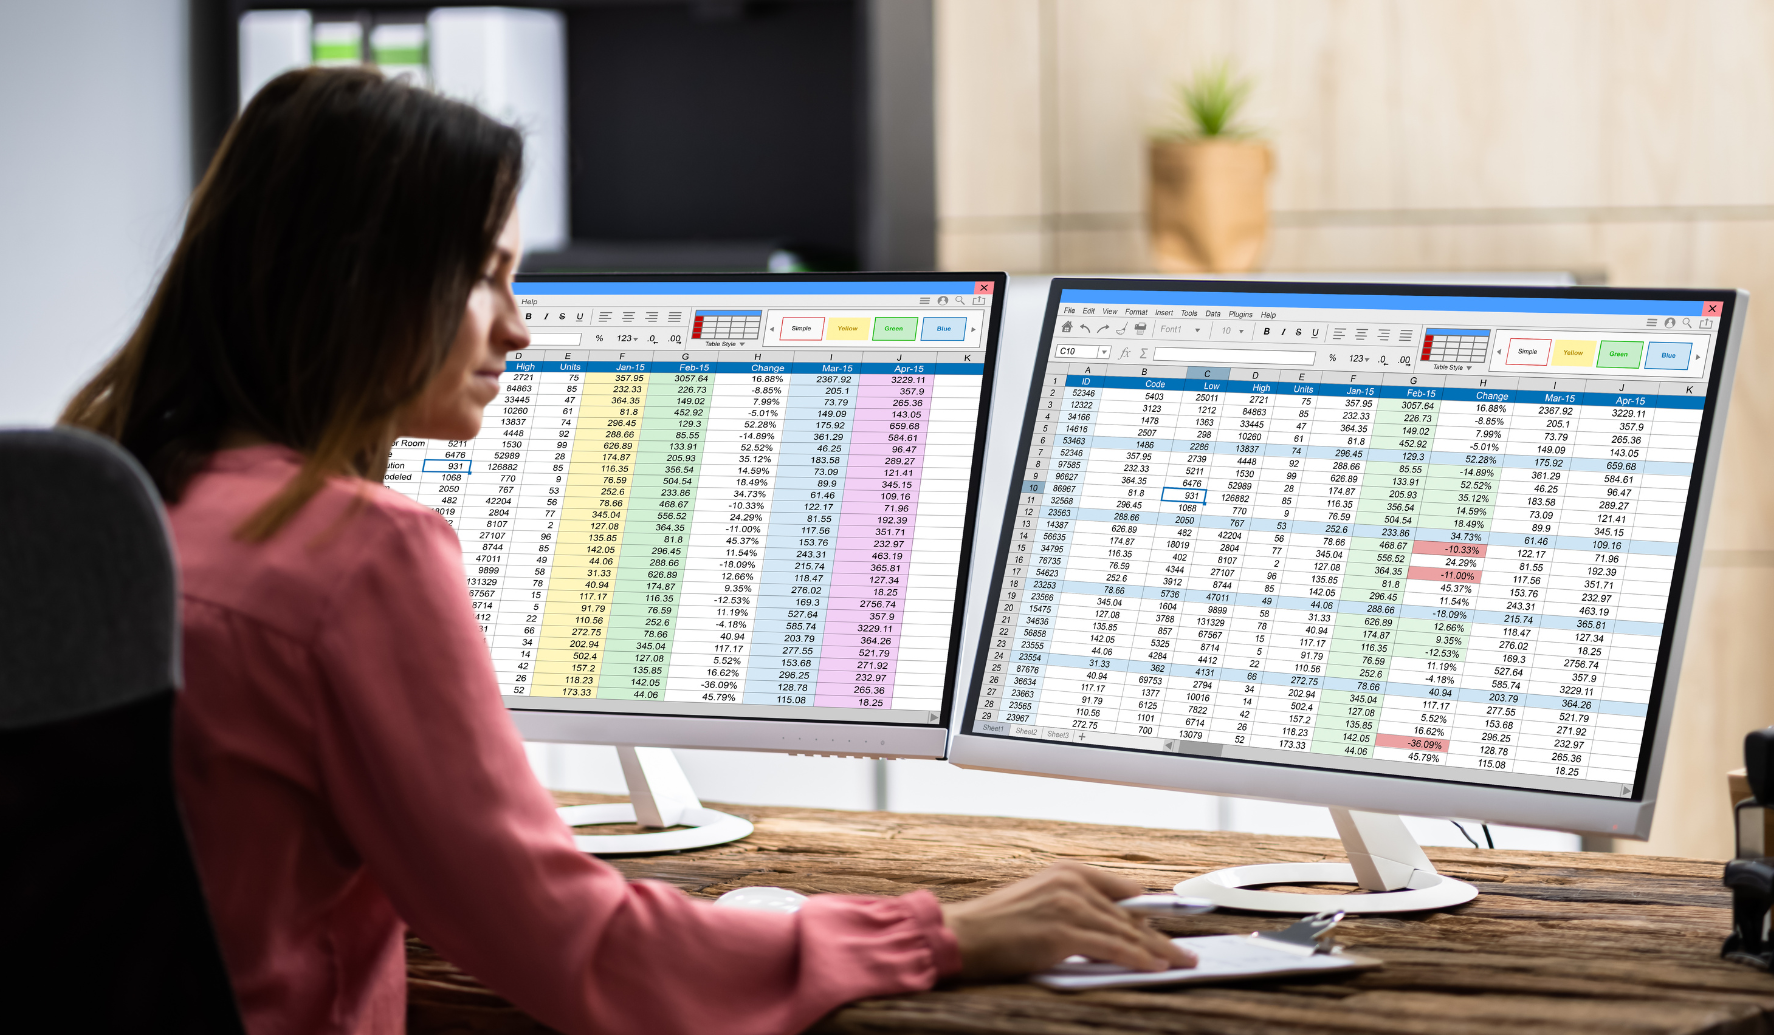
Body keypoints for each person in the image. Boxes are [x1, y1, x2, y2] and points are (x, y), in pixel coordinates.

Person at [62, 67, 1191, 1035]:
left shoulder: (108, 508)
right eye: (487, 275)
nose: (518, 326)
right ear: (361, 278)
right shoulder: (352, 553)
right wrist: (935, 931)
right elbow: (576, 951)